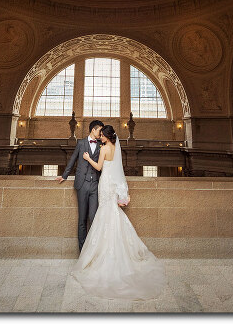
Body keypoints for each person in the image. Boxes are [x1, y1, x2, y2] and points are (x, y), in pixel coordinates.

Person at [70, 125, 166, 300]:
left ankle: (102, 255)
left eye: (102, 135)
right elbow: (117, 170)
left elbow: (99, 168)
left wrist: (86, 157)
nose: (100, 136)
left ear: (106, 136)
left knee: (104, 214)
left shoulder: (104, 148)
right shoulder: (114, 148)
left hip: (104, 184)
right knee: (112, 213)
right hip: (112, 185)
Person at [57, 120, 103, 252]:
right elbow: (72, 159)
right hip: (82, 184)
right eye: (100, 130)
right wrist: (64, 175)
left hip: (95, 184)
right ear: (93, 130)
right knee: (82, 219)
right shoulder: (81, 143)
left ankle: (93, 250)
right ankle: (82, 251)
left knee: (93, 218)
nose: (101, 133)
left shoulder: (101, 145)